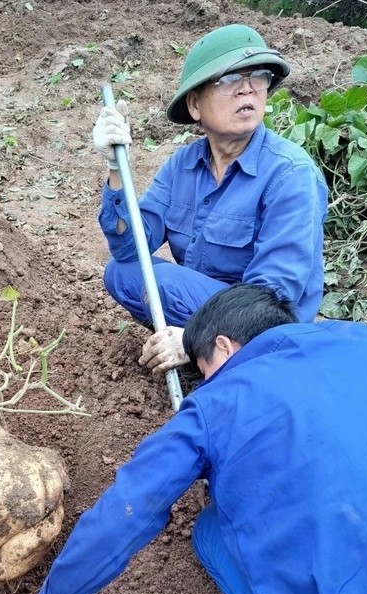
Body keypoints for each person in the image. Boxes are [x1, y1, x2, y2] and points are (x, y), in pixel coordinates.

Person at [0, 284, 367, 594]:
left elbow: (127, 511)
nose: (206, 382)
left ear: (223, 346)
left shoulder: (217, 405)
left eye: (205, 369)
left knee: (211, 535)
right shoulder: (360, 339)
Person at [92, 24, 328, 375]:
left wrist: (190, 338)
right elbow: (131, 248)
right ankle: (206, 354)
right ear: (195, 104)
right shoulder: (182, 165)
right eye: (230, 80)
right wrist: (115, 168)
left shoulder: (290, 174)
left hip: (267, 328)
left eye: (257, 77)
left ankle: (212, 356)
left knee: (164, 283)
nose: (247, 88)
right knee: (121, 272)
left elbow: (273, 297)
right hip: (208, 306)